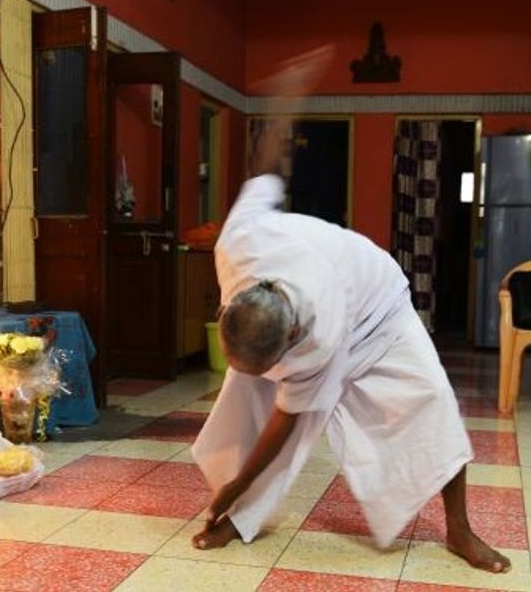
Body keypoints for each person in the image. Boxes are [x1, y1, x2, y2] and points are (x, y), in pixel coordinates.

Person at [189, 49, 511, 574]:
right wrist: (283, 100)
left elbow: (289, 425)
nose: (266, 375)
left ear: (292, 336)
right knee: (242, 406)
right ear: (232, 307)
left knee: (432, 402)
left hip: (379, 311)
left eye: (272, 365)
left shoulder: (319, 333)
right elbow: (266, 170)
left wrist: (239, 481)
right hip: (318, 298)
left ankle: (460, 531)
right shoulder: (239, 243)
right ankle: (239, 518)